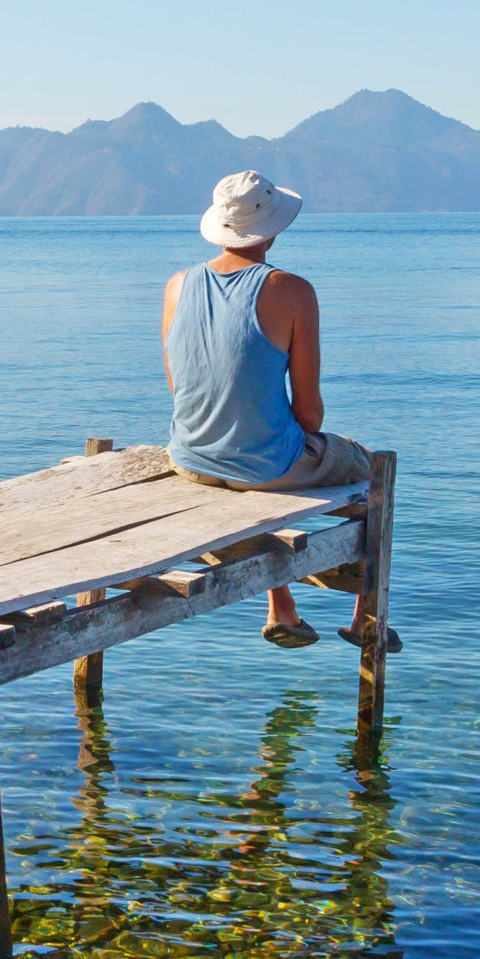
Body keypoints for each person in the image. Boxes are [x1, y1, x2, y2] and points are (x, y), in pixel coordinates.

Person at [162, 170, 401, 652]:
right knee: (371, 472)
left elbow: (180, 388)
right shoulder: (291, 290)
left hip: (190, 460)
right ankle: (366, 618)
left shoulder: (177, 285)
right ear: (271, 227)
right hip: (263, 466)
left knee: (260, 448)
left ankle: (283, 607)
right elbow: (309, 415)